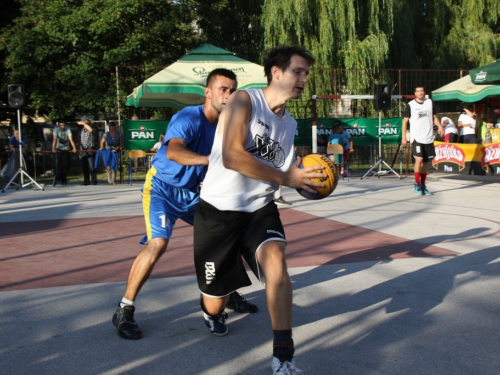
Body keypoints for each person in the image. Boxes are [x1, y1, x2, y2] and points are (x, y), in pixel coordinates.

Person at [193, 46, 324, 375]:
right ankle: (214, 307)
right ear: (276, 73)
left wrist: (308, 178)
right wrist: (285, 176)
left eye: (306, 73)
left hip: (258, 211)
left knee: (276, 263)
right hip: (218, 213)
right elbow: (233, 156)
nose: (304, 79)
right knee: (214, 300)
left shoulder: (290, 124)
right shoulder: (244, 101)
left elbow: (285, 168)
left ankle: (283, 356)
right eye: (298, 71)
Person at [111, 68, 257, 341]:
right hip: (162, 190)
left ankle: (227, 293)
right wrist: (207, 160)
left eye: (232, 90)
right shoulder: (188, 117)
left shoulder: (230, 125)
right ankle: (124, 309)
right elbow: (174, 149)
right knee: (158, 244)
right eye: (223, 89)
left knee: (226, 237)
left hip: (196, 194)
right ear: (208, 92)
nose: (228, 95)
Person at [402, 85, 444, 196]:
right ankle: (416, 184)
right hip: (417, 137)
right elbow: (405, 122)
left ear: (424, 92)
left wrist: (439, 126)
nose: (420, 93)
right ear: (415, 93)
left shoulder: (429, 102)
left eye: (422, 91)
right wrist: (404, 137)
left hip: (428, 137)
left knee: (425, 162)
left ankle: (423, 185)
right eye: (418, 91)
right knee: (419, 159)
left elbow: (434, 117)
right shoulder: (410, 105)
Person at [52, 121, 76, 186]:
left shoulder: (68, 129)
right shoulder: (56, 130)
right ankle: (63, 180)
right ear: (59, 125)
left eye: (63, 125)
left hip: (66, 149)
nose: (62, 126)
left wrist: (74, 148)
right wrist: (53, 148)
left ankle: (57, 177)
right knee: (60, 166)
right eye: (61, 125)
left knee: (67, 165)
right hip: (59, 149)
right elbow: (54, 139)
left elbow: (71, 139)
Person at [78, 119, 97, 185]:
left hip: (90, 149)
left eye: (86, 123)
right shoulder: (81, 131)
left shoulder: (92, 129)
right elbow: (79, 139)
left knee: (91, 166)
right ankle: (86, 180)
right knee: (84, 166)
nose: (84, 125)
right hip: (83, 149)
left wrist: (84, 123)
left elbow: (91, 130)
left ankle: (94, 180)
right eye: (84, 124)